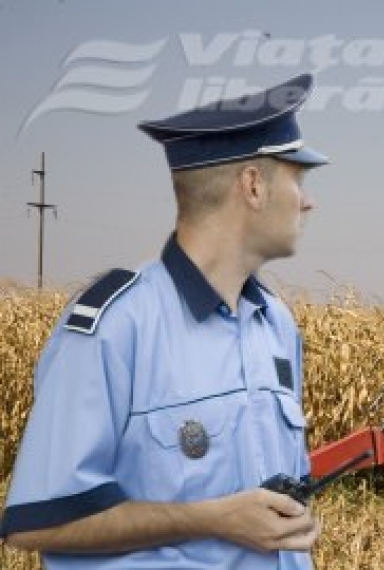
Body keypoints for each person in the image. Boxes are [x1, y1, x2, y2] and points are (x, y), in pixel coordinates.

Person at [0, 74, 328, 569]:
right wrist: (213, 519)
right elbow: (35, 521)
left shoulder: (275, 325)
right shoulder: (115, 326)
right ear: (254, 185)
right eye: (296, 178)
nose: (307, 201)